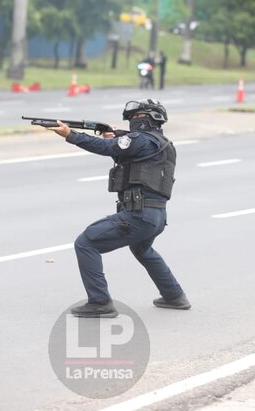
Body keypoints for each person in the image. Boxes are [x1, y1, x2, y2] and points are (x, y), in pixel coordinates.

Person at [48, 99, 190, 317]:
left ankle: (100, 303)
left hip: (139, 215)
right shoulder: (163, 144)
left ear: (149, 118)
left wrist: (71, 135)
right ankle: (174, 296)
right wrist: (115, 137)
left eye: (136, 117)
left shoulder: (140, 140)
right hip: (156, 216)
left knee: (86, 243)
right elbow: (127, 157)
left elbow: (106, 148)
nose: (133, 121)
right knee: (142, 249)